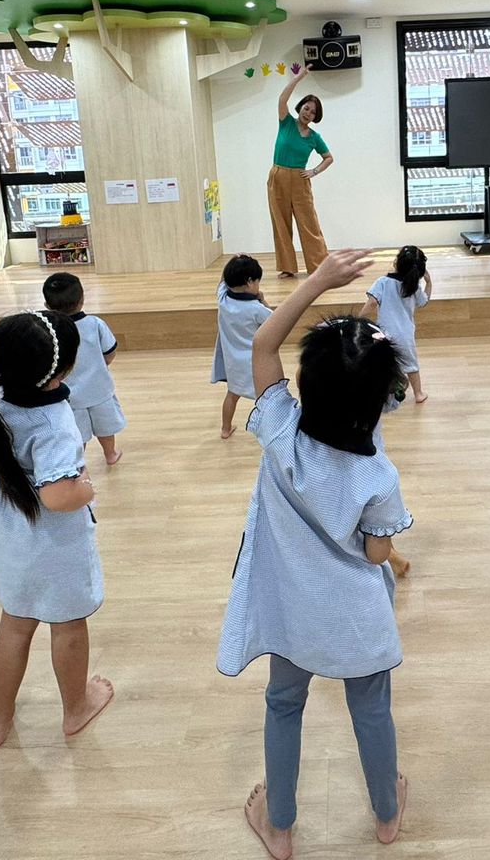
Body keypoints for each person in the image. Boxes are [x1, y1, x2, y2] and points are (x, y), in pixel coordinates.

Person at [218, 249, 411, 858]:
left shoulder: (279, 428)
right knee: (371, 709)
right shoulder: (379, 475)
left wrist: (318, 282)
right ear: (380, 400)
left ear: (305, 384)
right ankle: (386, 815)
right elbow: (378, 554)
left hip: (289, 608)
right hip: (357, 613)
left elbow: (263, 346)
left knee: (283, 703)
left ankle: (279, 825)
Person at [0, 245, 114, 748]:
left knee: (15, 626)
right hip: (57, 548)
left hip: (11, 543)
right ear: (61, 372)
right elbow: (57, 496)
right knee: (68, 626)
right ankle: (75, 708)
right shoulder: (53, 424)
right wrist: (86, 487)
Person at [43, 272, 124, 467]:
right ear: (82, 300)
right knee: (105, 426)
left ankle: (78, 463)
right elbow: (110, 351)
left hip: (68, 395)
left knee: (76, 432)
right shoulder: (95, 324)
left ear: (47, 306)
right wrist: (101, 365)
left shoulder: (48, 331)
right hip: (99, 389)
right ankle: (111, 454)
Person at [267, 68, 333, 279]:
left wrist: (314, 171)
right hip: (278, 176)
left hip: (300, 180)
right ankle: (287, 267)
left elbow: (328, 158)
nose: (308, 113)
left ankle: (319, 265)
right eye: (306, 108)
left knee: (309, 223)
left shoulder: (314, 137)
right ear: (300, 107)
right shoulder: (286, 122)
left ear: (316, 116)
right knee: (281, 222)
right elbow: (282, 98)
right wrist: (299, 77)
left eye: (313, 112)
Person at [360, 246, 433, 405]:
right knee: (411, 365)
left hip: (383, 334)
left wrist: (359, 319)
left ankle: (384, 393)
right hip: (405, 336)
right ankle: (418, 393)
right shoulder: (413, 287)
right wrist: (429, 282)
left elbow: (372, 303)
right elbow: (424, 301)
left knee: (383, 365)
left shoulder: (383, 282)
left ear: (396, 262)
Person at [212, 253, 273, 440]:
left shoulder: (223, 299)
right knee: (264, 397)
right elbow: (274, 321)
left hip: (232, 363)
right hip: (254, 363)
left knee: (232, 394)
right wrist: (263, 300)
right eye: (258, 281)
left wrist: (231, 263)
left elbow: (222, 282)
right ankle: (268, 430)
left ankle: (225, 429)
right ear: (249, 282)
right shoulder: (256, 309)